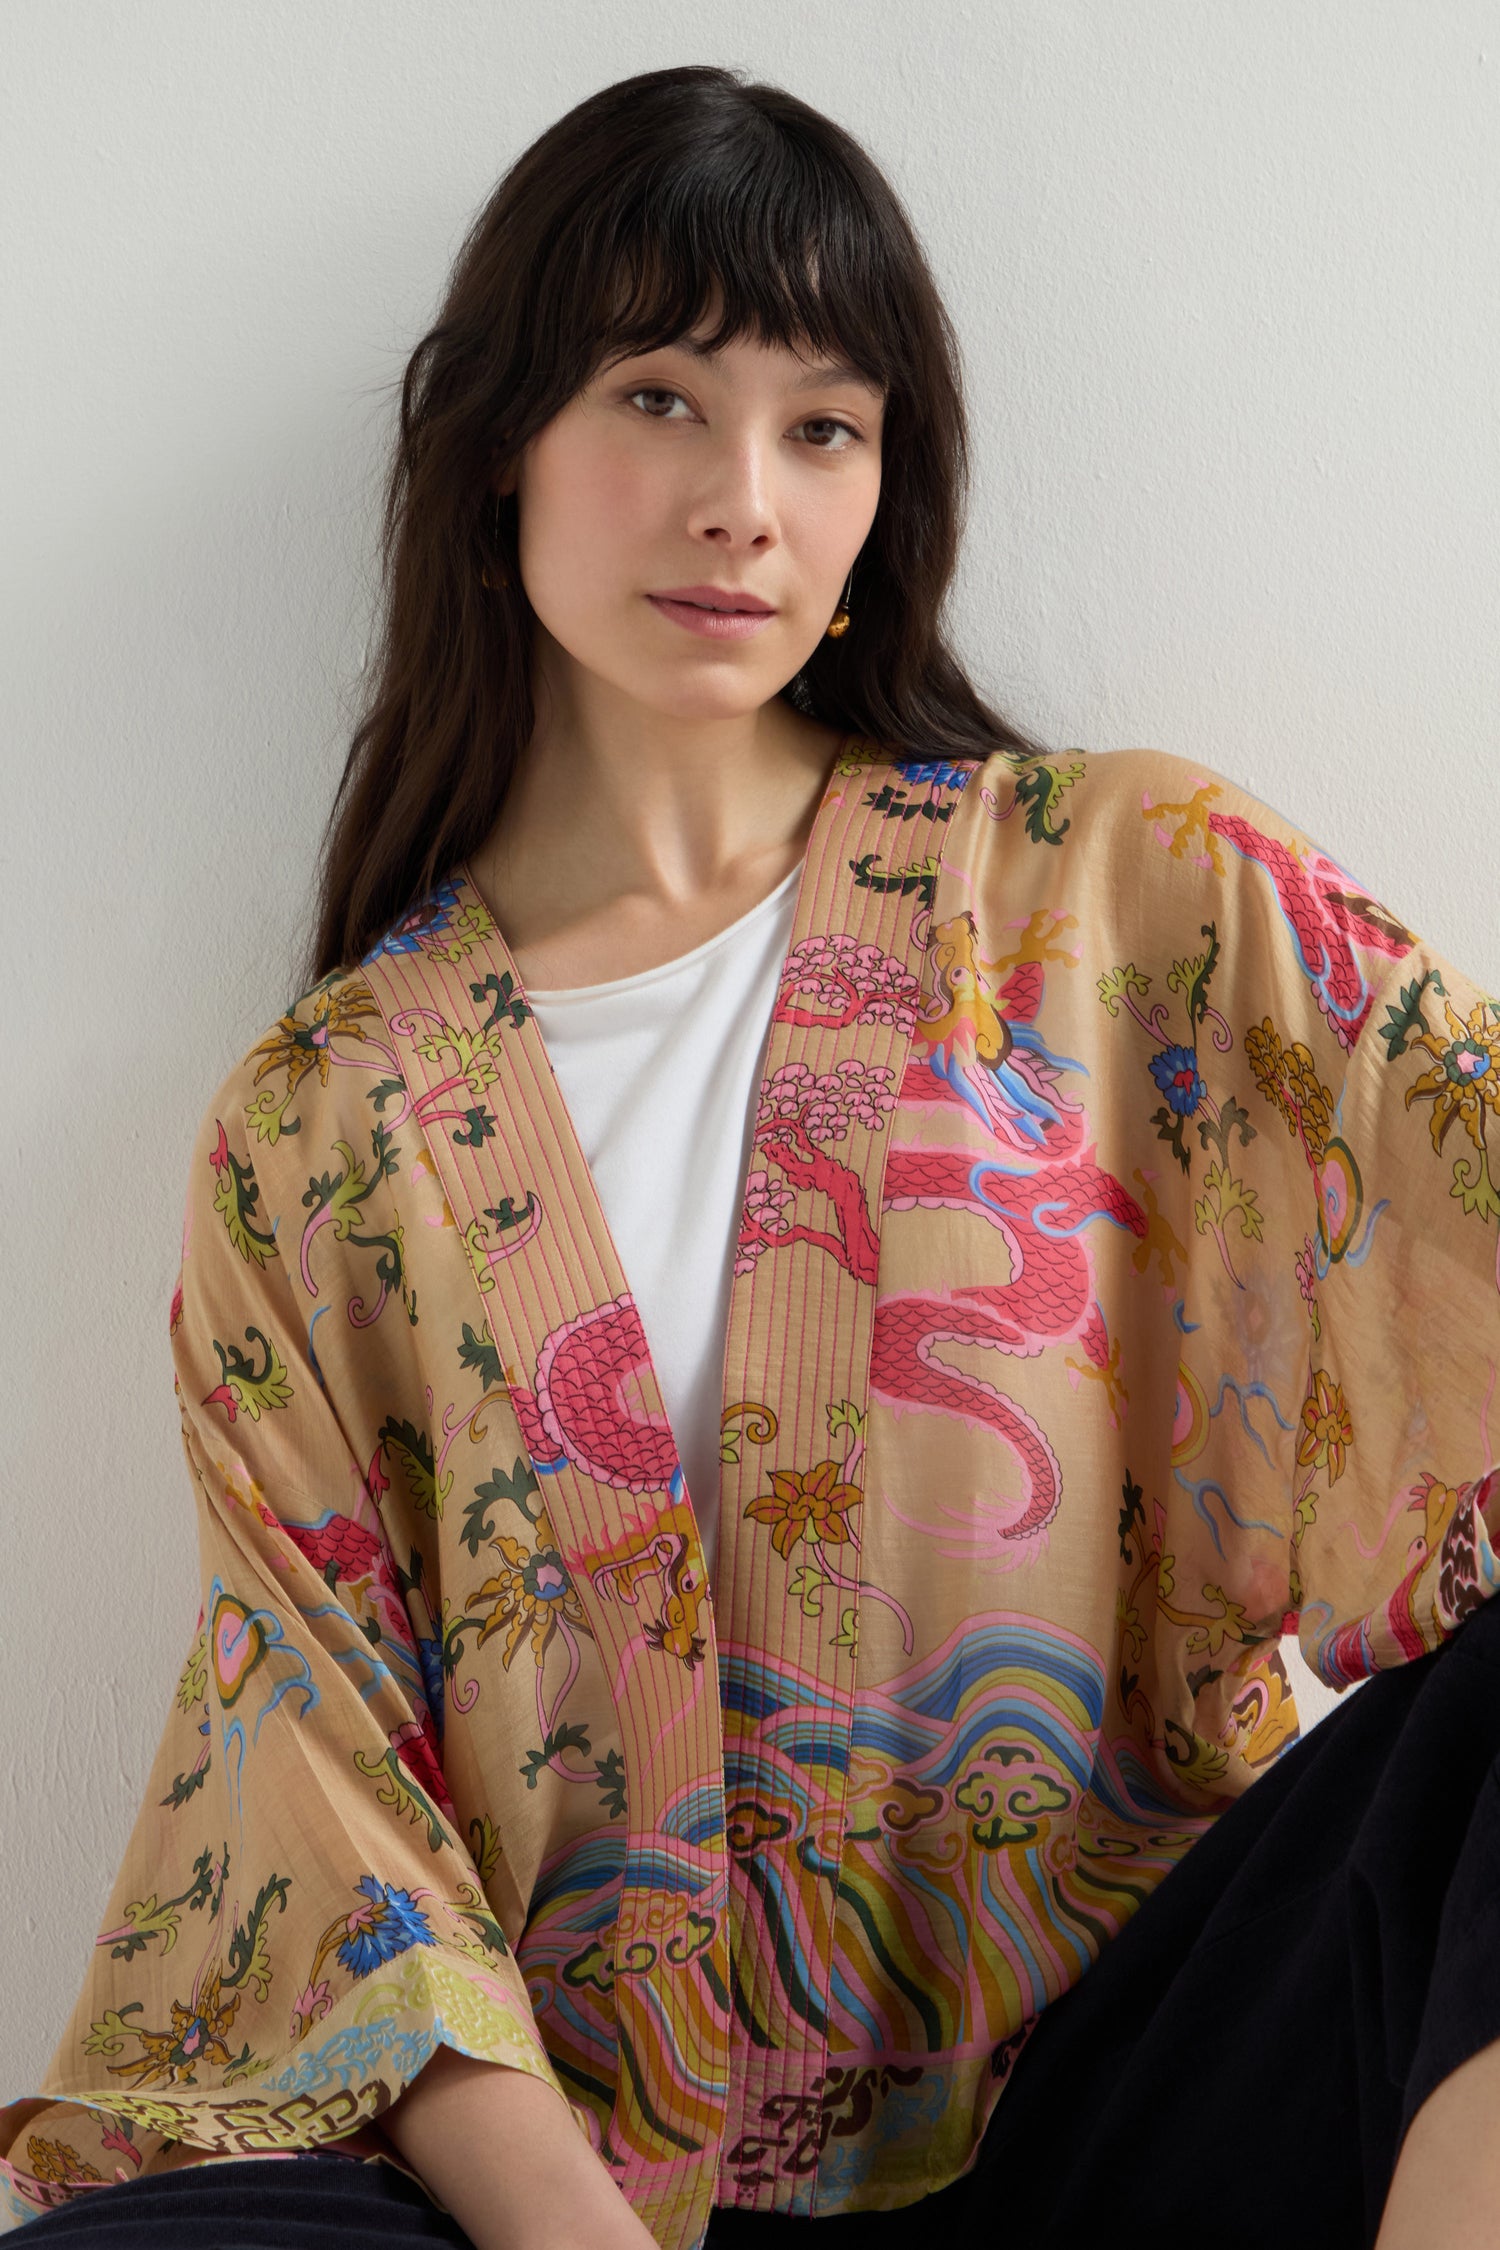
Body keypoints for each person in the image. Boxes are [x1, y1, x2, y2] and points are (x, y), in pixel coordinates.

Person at [2, 60, 1497, 2250]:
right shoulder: (325, 1132)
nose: (744, 502)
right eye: (659, 399)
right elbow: (321, 1788)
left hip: (1119, 2107)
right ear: (495, 436)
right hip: (587, 2179)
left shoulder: (1124, 896)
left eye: (824, 426)